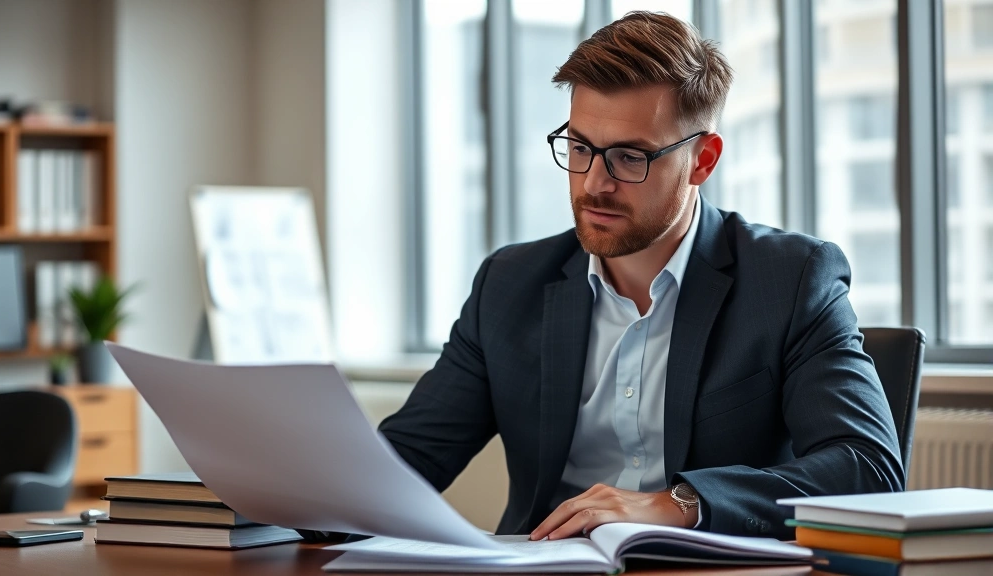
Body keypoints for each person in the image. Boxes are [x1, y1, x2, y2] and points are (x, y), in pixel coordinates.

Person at [378, 11, 903, 541]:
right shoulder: (509, 283)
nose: (594, 184)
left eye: (629, 158)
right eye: (580, 148)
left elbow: (869, 468)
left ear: (703, 160)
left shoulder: (789, 280)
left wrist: (678, 504)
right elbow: (405, 461)